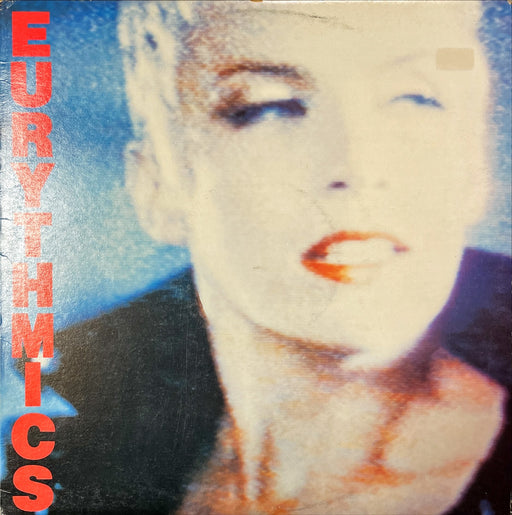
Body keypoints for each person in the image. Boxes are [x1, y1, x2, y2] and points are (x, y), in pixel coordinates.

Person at [4, 1, 510, 514]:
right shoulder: (57, 465)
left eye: (415, 98)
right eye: (270, 107)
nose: (357, 166)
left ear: (475, 168)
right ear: (156, 185)